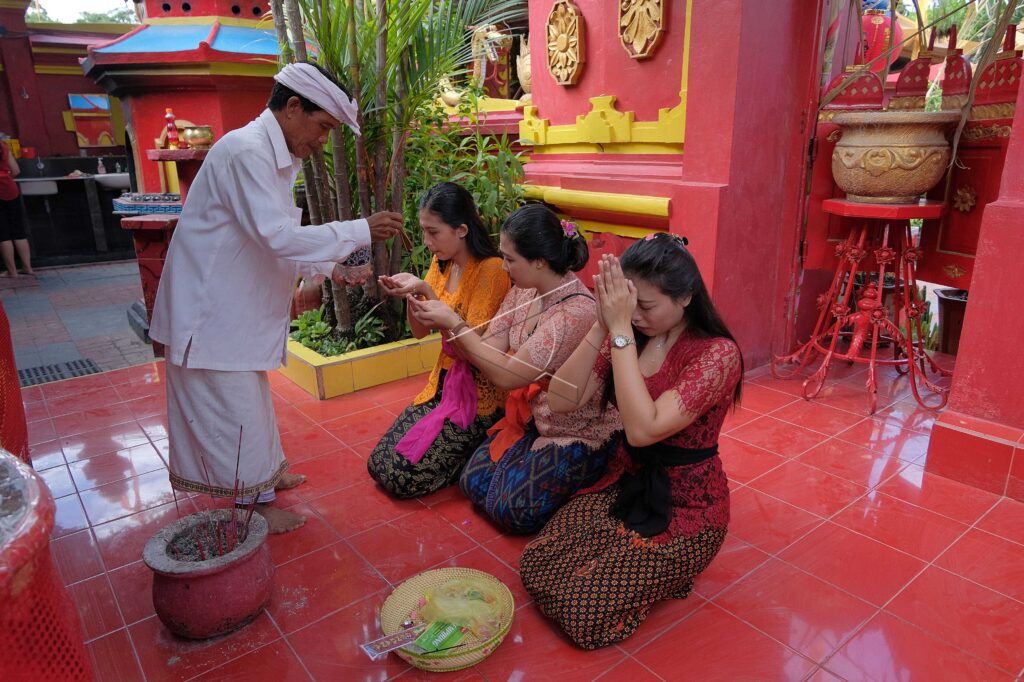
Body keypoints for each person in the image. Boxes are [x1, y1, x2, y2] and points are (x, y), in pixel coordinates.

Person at [149, 62, 403, 533]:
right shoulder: (245, 151)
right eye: (323, 127)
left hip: (230, 307)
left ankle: (267, 477)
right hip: (209, 312)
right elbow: (276, 237)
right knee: (234, 410)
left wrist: (330, 267)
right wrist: (358, 231)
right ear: (291, 109)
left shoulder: (272, 155)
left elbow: (277, 238)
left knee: (250, 401)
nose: (323, 141)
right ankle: (254, 506)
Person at [518, 233, 743, 649]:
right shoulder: (627, 336)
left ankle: (670, 573)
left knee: (580, 610)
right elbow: (565, 399)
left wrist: (620, 330)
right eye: (628, 303)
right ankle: (646, 574)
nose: (636, 316)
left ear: (686, 297)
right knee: (538, 564)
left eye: (647, 306)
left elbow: (643, 428)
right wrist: (603, 325)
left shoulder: (716, 354)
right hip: (625, 484)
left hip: (686, 511)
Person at [420, 203, 620, 534]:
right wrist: (447, 321)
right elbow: (487, 351)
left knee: (511, 511)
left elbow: (506, 374)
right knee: (473, 484)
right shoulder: (524, 291)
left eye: (510, 259)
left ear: (539, 261)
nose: (504, 266)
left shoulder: (575, 313)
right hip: (535, 419)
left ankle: (595, 476)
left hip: (577, 429)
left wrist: (453, 322)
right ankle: (533, 452)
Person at [367, 182, 509, 498]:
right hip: (441, 386)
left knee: (403, 481)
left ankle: (471, 455)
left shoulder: (492, 270)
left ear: (461, 229)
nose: (427, 242)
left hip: (477, 398)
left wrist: (428, 293)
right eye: (423, 232)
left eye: (434, 232)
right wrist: (411, 294)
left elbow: (473, 351)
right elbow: (419, 332)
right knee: (378, 465)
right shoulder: (440, 262)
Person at [0, 136, 33, 278]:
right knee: (18, 230)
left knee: (2, 233)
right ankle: (28, 268)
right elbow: (15, 170)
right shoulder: (3, 146)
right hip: (10, 189)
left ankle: (12, 271)